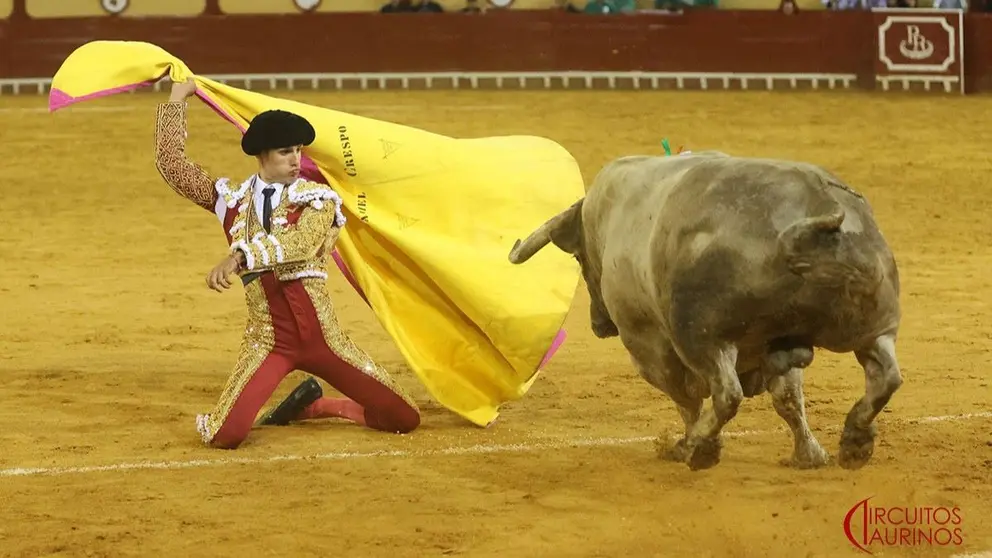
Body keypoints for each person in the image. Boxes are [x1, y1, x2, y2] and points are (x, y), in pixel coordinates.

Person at [153, 78, 421, 449]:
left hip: (324, 340)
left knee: (402, 419)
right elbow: (173, 166)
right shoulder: (231, 201)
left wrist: (241, 256)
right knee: (224, 436)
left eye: (298, 150)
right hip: (268, 342)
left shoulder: (318, 200)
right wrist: (176, 99)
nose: (296, 159)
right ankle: (301, 403)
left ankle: (321, 406)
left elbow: (300, 243)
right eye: (285, 152)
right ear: (262, 155)